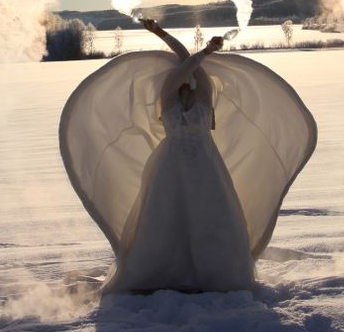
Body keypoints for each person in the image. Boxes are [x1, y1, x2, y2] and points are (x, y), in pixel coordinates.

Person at [59, 18, 317, 294]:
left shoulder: (205, 96)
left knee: (212, 214)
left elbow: (188, 62)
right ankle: (162, 269)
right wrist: (191, 46)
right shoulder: (168, 96)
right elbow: (185, 64)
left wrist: (175, 39)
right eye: (186, 75)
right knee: (166, 214)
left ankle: (217, 270)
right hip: (171, 165)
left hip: (206, 164)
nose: (189, 79)